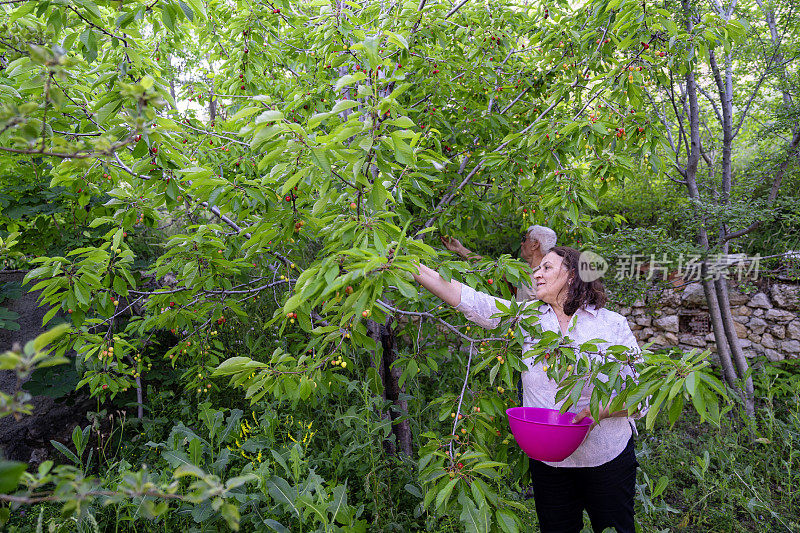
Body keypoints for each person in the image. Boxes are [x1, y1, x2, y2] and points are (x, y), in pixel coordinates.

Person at [412, 245, 641, 533]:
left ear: (572, 275)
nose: (537, 273)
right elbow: (472, 302)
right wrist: (410, 266)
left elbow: (641, 395)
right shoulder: (527, 317)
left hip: (605, 457)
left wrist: (600, 412)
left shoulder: (611, 325)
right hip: (549, 461)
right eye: (538, 268)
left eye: (547, 267)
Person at [440, 225, 557, 300]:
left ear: (535, 244)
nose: (521, 243)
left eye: (524, 239)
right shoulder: (522, 270)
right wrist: (460, 249)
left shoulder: (550, 275)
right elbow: (490, 267)